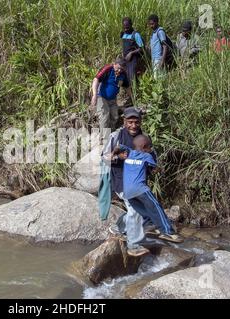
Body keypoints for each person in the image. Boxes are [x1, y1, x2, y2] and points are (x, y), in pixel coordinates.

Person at [100, 107, 157, 257]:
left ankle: (118, 228)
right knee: (136, 210)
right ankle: (133, 245)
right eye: (130, 122)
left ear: (140, 122)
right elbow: (104, 157)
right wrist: (115, 157)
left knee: (143, 211)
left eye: (136, 122)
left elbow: (152, 158)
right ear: (124, 122)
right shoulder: (116, 136)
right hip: (121, 180)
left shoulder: (145, 138)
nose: (133, 125)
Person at [113, 134, 184, 254]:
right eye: (150, 147)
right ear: (145, 146)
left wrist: (116, 153)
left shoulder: (128, 152)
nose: (151, 149)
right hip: (140, 189)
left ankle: (128, 232)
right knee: (156, 208)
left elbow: (117, 146)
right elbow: (154, 170)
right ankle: (167, 232)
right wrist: (159, 169)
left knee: (144, 214)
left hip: (128, 193)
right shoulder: (147, 155)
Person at [90, 58, 132, 129]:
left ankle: (111, 135)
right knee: (104, 117)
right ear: (114, 64)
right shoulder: (108, 69)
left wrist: (133, 98)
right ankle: (104, 138)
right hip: (102, 97)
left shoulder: (123, 74)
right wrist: (94, 95)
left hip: (113, 99)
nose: (119, 71)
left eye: (121, 69)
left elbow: (127, 87)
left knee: (114, 116)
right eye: (118, 68)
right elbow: (96, 79)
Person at [121, 17, 145, 87]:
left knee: (132, 78)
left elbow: (142, 48)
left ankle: (135, 95)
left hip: (133, 60)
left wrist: (131, 53)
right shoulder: (123, 34)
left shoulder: (136, 35)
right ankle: (128, 95)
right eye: (124, 27)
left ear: (131, 25)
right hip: (125, 59)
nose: (125, 29)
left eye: (127, 27)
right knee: (124, 77)